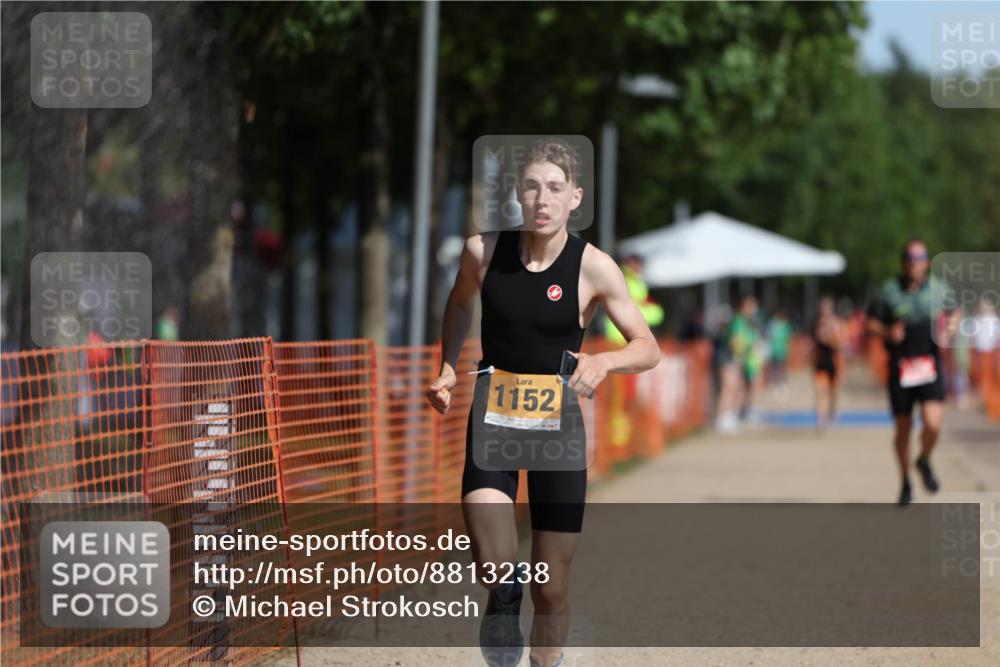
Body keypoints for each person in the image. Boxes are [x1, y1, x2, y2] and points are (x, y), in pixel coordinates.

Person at [426, 138, 659, 667]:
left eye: (555, 188)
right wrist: (446, 365)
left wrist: (603, 362)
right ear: (518, 194)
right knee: (494, 566)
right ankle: (501, 600)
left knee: (551, 589)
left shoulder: (594, 267)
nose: (542, 199)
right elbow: (460, 306)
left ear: (575, 197)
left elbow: (648, 348)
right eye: (531, 186)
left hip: (559, 431)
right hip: (494, 419)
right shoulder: (482, 253)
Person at [867, 239, 956, 505]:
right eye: (909, 257)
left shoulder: (939, 290)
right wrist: (887, 331)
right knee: (903, 430)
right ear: (902, 261)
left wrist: (947, 333)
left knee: (933, 423)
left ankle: (924, 459)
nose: (914, 262)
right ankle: (905, 482)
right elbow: (871, 322)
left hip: (929, 364)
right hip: (901, 366)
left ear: (927, 261)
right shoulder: (889, 291)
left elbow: (954, 313)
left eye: (919, 257)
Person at [716, 293, 759, 433]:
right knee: (729, 386)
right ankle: (722, 417)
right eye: (750, 305)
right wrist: (742, 352)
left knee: (737, 387)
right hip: (728, 357)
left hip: (737, 358)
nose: (753, 309)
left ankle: (731, 415)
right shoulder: (738, 321)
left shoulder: (746, 322)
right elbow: (735, 341)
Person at [812, 296, 845, 431]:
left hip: (834, 361)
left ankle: (832, 412)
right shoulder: (816, 324)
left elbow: (839, 343)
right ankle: (821, 418)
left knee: (833, 391)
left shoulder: (836, 324)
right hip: (820, 362)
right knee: (820, 390)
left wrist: (829, 338)